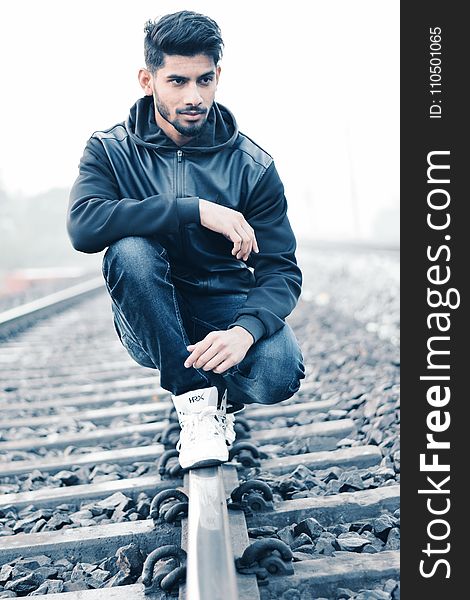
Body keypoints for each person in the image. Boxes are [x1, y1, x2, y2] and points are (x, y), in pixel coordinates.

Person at [67, 10, 305, 470]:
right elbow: (83, 226)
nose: (194, 96)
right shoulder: (110, 150)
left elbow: (281, 269)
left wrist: (246, 329)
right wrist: (193, 208)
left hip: (224, 304)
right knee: (129, 249)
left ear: (219, 76)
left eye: (204, 80)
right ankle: (194, 401)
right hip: (151, 316)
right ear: (147, 79)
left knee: (280, 371)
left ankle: (222, 396)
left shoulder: (252, 166)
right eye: (177, 81)